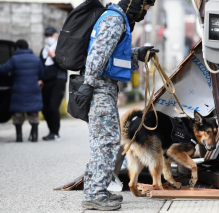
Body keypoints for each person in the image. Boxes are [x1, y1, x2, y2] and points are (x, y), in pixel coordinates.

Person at [74, 0, 158, 210]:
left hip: (103, 87)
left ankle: (96, 190)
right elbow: (98, 53)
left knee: (101, 141)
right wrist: (89, 83)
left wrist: (137, 53)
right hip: (99, 87)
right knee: (107, 141)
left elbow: (112, 56)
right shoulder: (114, 20)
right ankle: (95, 194)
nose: (145, 13)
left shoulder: (116, 19)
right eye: (146, 7)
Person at [0, 39, 44, 142]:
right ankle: (34, 137)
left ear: (17, 48)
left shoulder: (14, 59)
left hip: (19, 90)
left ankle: (19, 138)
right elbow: (41, 74)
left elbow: (3, 70)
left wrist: (11, 73)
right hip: (33, 89)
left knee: (18, 115)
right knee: (33, 114)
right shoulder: (36, 59)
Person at [40, 27, 68, 141]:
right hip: (46, 82)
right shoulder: (44, 50)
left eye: (50, 35)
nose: (48, 38)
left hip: (58, 80)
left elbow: (64, 65)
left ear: (56, 36)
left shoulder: (60, 48)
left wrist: (53, 56)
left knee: (53, 106)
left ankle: (55, 133)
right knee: (44, 108)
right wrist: (40, 79)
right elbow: (40, 66)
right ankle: (51, 131)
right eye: (46, 36)